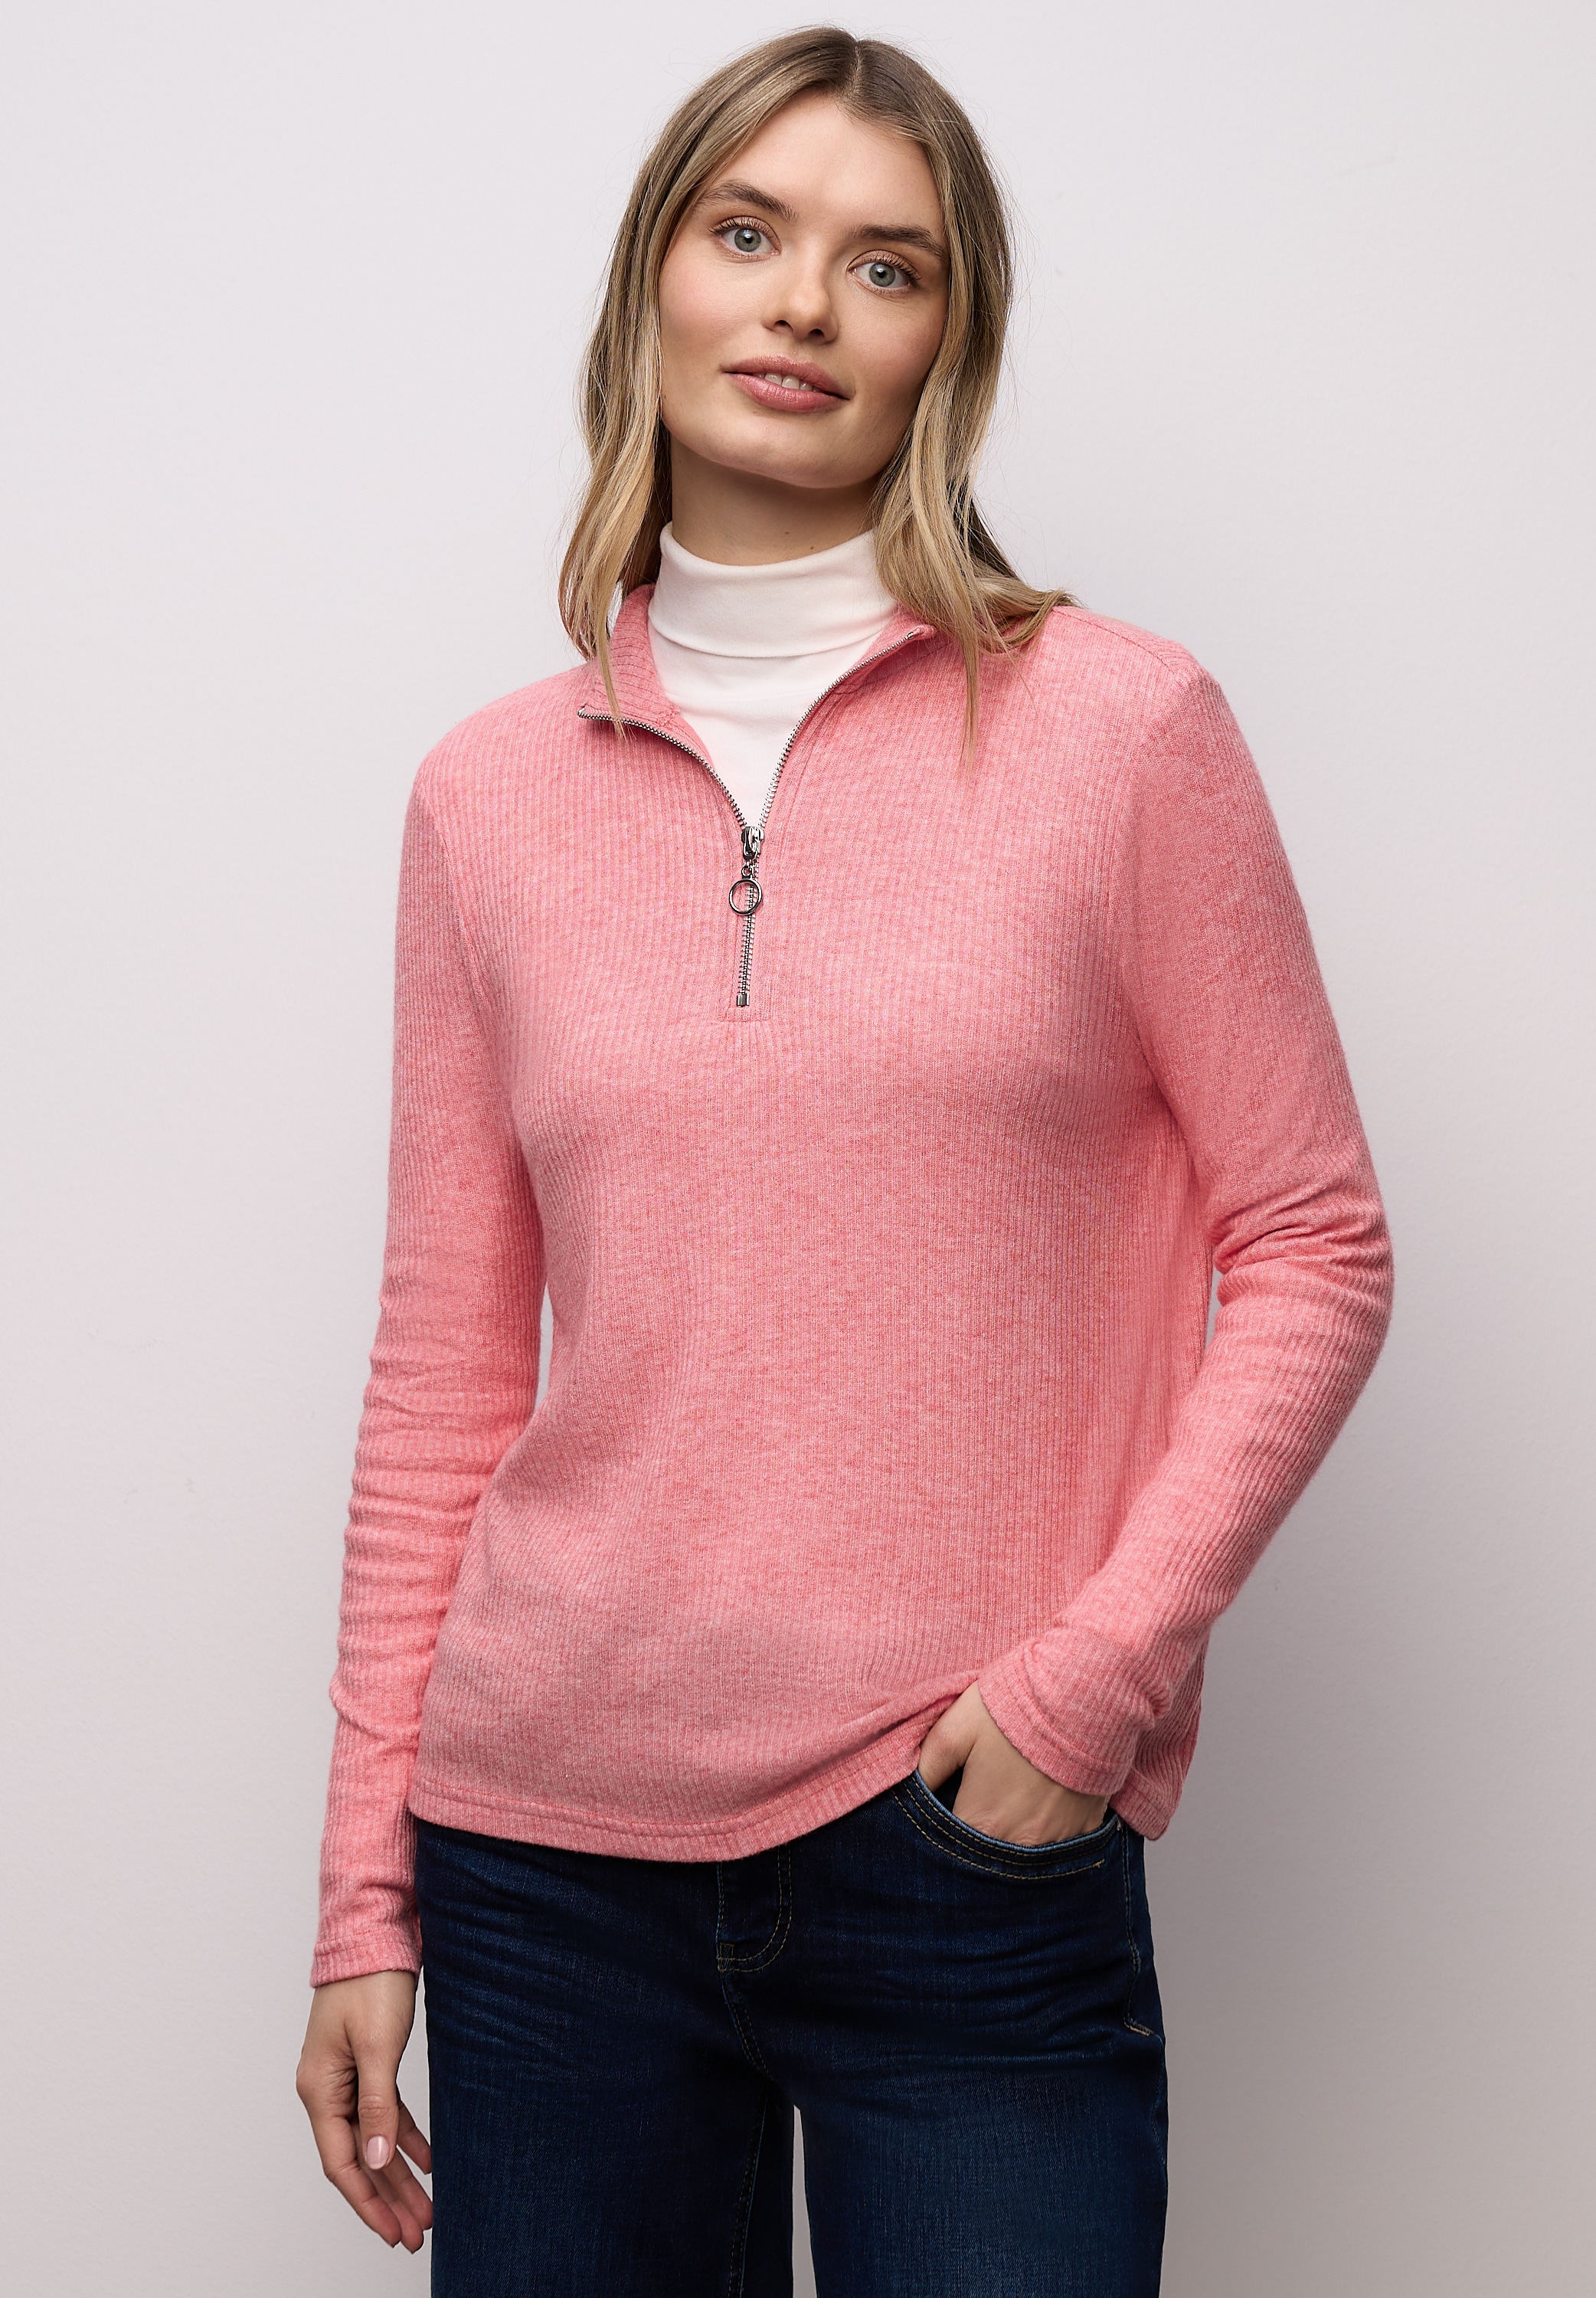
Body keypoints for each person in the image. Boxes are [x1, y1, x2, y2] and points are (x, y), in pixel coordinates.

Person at [294, 28, 1393, 2295]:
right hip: (540, 1866)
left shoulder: (1123, 732)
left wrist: (1089, 1683)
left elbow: (1312, 1245)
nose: (802, 301)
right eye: (748, 234)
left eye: (885, 265)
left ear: (944, 349)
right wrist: (363, 1891)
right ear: (654, 282)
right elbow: (442, 1374)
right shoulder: (484, 799)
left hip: (959, 1840)